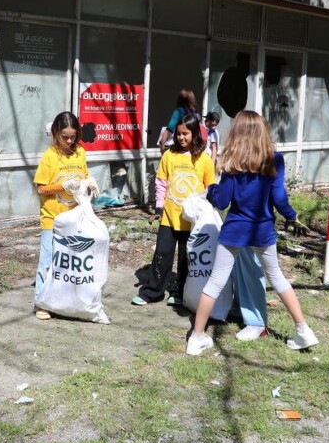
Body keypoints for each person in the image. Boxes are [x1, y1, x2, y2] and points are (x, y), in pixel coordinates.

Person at [185, 111, 318, 356]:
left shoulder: (232, 164)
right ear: (263, 133)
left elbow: (222, 201)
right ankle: (304, 330)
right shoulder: (275, 161)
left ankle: (197, 337)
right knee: (277, 278)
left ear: (237, 134)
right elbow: (279, 198)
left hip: (234, 232)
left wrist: (212, 188)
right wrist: (292, 216)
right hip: (263, 232)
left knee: (214, 282)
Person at [133, 113, 216, 306]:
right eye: (178, 134)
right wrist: (160, 207)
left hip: (192, 221)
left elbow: (210, 187)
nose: (181, 137)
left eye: (185, 133)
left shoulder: (203, 159)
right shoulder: (169, 156)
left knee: (186, 258)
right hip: (169, 218)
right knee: (162, 254)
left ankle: (179, 292)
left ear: (195, 133)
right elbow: (161, 183)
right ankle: (152, 292)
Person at [33, 111, 93, 320]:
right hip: (53, 218)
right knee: (48, 261)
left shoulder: (80, 153)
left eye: (73, 137)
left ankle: (65, 300)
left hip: (74, 218)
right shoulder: (50, 156)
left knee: (69, 262)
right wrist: (62, 185)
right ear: (54, 133)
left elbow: (83, 177)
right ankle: (41, 302)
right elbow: (40, 189)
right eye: (64, 137)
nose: (69, 141)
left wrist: (89, 183)